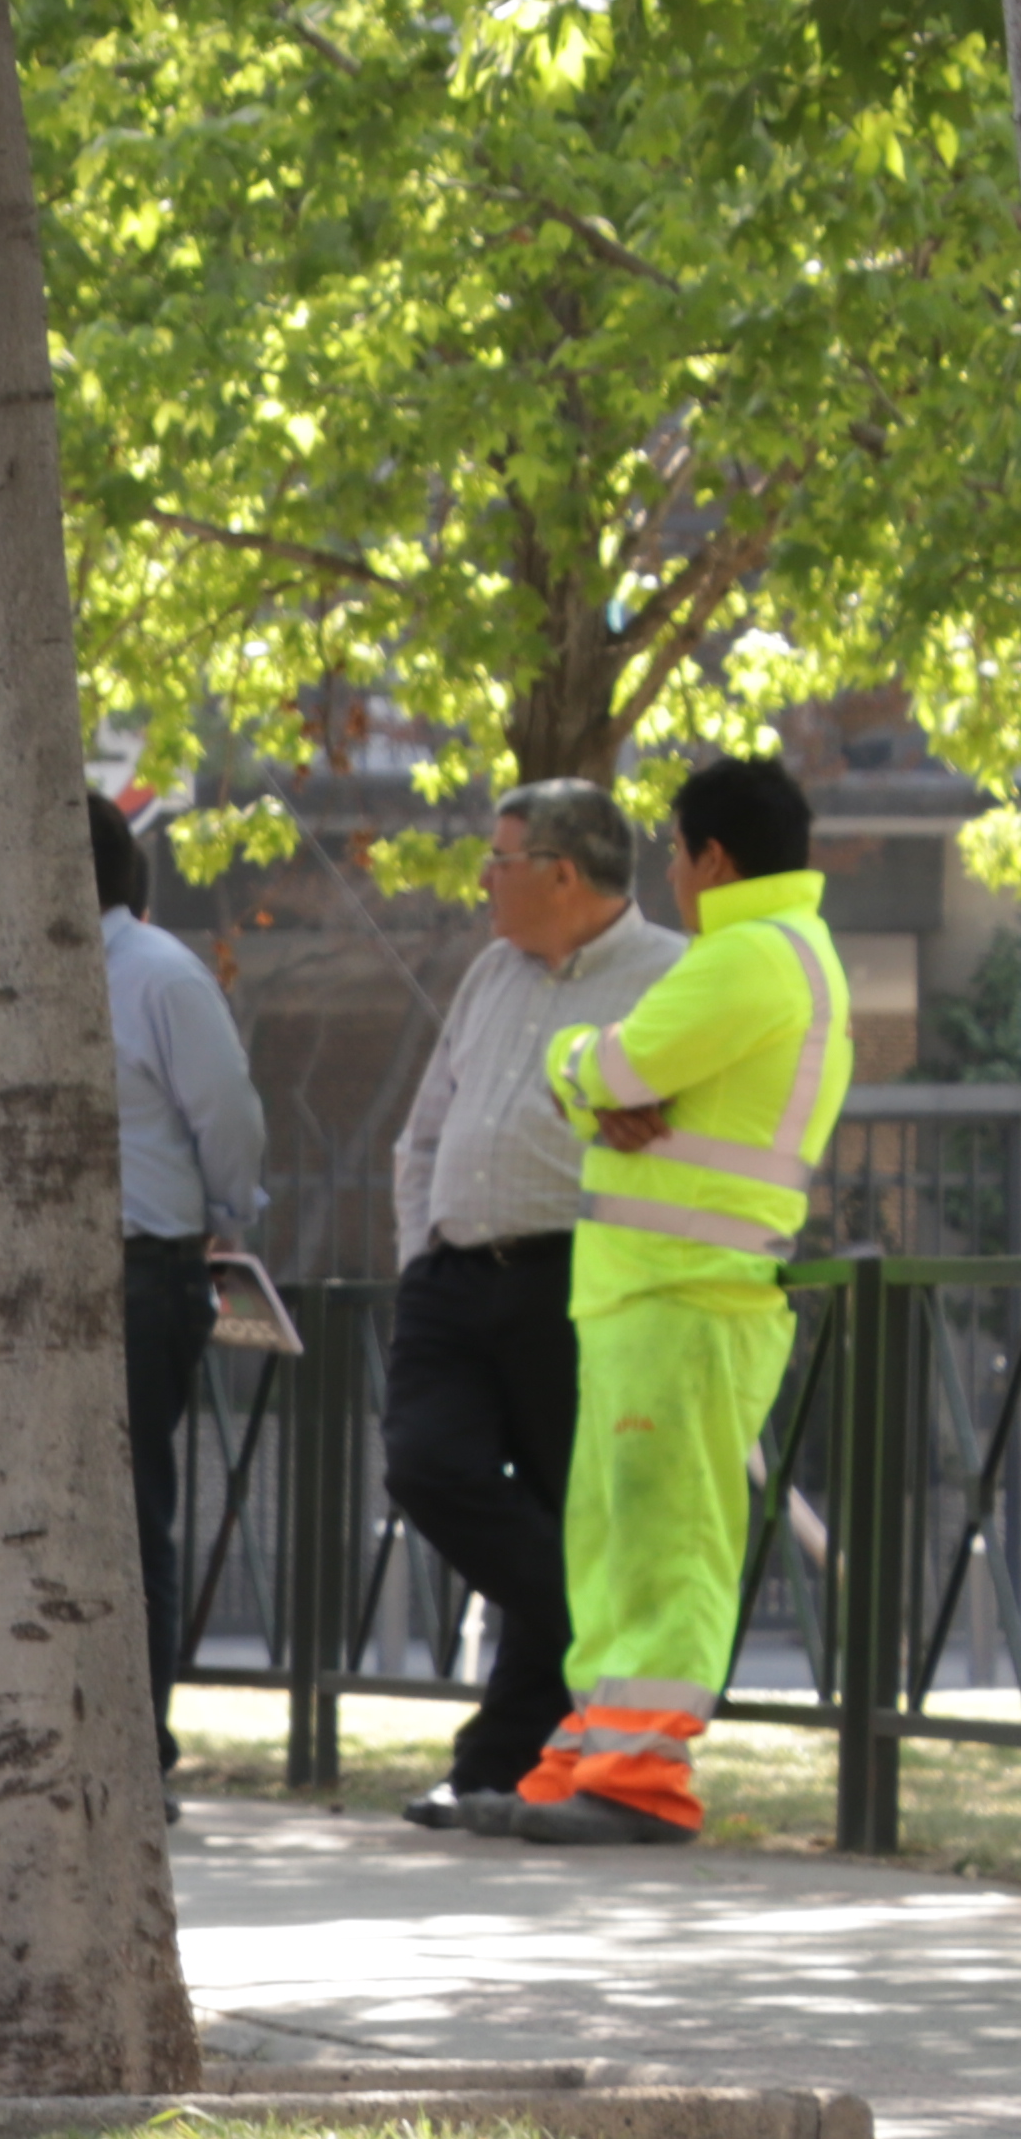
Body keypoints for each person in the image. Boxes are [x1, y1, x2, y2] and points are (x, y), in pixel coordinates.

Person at [502, 752, 850, 1847]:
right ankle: (589, 1759)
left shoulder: (746, 958)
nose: (670, 871)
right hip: (658, 1294)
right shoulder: (766, 951)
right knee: (613, 1540)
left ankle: (641, 1783)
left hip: (685, 1296)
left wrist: (579, 1067)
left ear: (712, 856)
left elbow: (617, 1063)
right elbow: (617, 1077)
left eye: (673, 851)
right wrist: (597, 1078)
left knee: (665, 1541)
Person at [385, 780, 682, 1831]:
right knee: (425, 1462)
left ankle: (498, 1766)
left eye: (499, 860)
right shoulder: (488, 971)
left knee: (564, 1510)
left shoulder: (673, 977)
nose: (483, 879)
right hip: (454, 1278)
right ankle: (588, 1623)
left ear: (561, 871)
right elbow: (425, 1129)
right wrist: (420, 1255)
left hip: (578, 1277)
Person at [94, 796, 270, 1762]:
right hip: (60, 1274)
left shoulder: (160, 975)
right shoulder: (10, 978)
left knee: (130, 1510)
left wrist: (225, 1217)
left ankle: (136, 1744)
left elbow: (228, 1118)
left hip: (141, 1266)